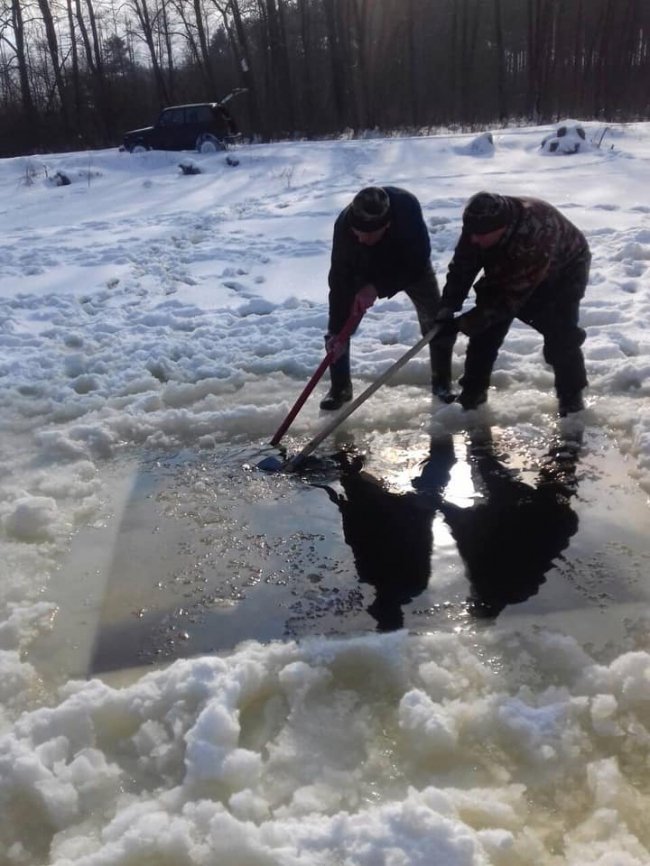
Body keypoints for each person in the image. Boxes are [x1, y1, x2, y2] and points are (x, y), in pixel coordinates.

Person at [433, 192, 591, 415]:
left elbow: (508, 301)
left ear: (502, 228)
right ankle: (472, 394)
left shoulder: (535, 232)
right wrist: (447, 307)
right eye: (471, 233)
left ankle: (571, 400)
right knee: (485, 331)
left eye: (480, 235)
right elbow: (462, 266)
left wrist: (461, 324)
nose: (474, 240)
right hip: (510, 263)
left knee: (560, 333)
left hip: (564, 269)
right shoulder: (478, 225)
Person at [321, 186, 449, 410]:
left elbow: (418, 260)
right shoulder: (345, 227)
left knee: (435, 319)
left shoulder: (407, 209)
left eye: (369, 234)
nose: (361, 238)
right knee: (339, 331)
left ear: (387, 225)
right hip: (362, 265)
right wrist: (337, 331)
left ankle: (442, 383)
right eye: (358, 232)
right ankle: (340, 388)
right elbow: (339, 281)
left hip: (407, 265)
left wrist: (377, 287)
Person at [440, 428, 581, 618]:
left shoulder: (519, 593)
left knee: (562, 464)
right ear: (476, 600)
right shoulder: (483, 580)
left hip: (549, 519)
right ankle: (474, 414)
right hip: (520, 514)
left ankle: (571, 420)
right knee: (482, 460)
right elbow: (466, 536)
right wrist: (441, 506)